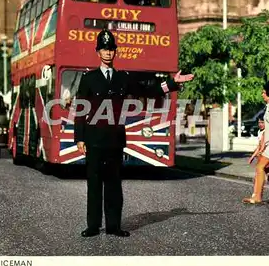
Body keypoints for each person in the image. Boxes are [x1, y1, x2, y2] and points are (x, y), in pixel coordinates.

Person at [74, 29, 194, 237]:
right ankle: (93, 226)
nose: (108, 53)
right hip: (93, 139)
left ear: (115, 52)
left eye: (111, 49)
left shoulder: (123, 78)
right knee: (94, 185)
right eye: (104, 49)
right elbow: (80, 110)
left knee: (114, 186)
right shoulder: (88, 79)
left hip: (115, 140)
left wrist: (173, 83)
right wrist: (79, 137)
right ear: (98, 52)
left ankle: (114, 226)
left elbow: (148, 90)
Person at [247, 115, 269, 198]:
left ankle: (256, 195)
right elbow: (259, 145)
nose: (260, 124)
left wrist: (260, 152)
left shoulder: (267, 132)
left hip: (267, 156)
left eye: (262, 122)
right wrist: (252, 157)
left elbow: (263, 145)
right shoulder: (260, 132)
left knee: (258, 176)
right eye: (259, 122)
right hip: (263, 155)